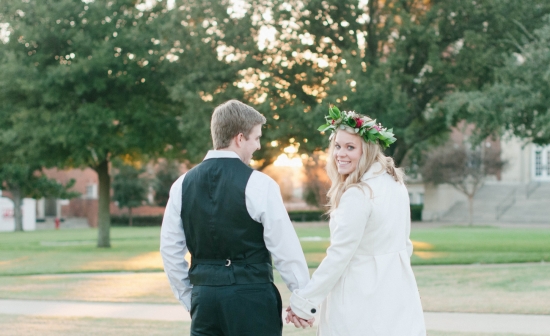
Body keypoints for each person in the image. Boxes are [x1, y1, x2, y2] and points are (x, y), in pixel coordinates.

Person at [160, 99, 312, 336]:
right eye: (257, 138)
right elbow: (285, 248)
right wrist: (303, 300)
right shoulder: (260, 184)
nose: (259, 146)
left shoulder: (181, 184)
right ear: (240, 138)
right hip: (252, 300)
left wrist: (191, 298)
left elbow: (170, 250)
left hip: (205, 300)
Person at [286, 106, 426, 335]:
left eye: (350, 147)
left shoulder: (358, 194)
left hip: (360, 300)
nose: (340, 153)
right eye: (337, 146)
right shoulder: (395, 184)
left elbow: (339, 256)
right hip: (398, 297)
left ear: (367, 150)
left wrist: (304, 303)